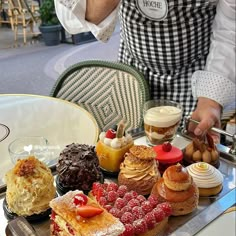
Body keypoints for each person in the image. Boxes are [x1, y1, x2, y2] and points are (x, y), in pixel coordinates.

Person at [55, 0, 235, 140]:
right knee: (131, 160)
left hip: (196, 79)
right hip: (133, 76)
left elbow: (229, 29)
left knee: (190, 163)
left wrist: (211, 102)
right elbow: (76, 16)